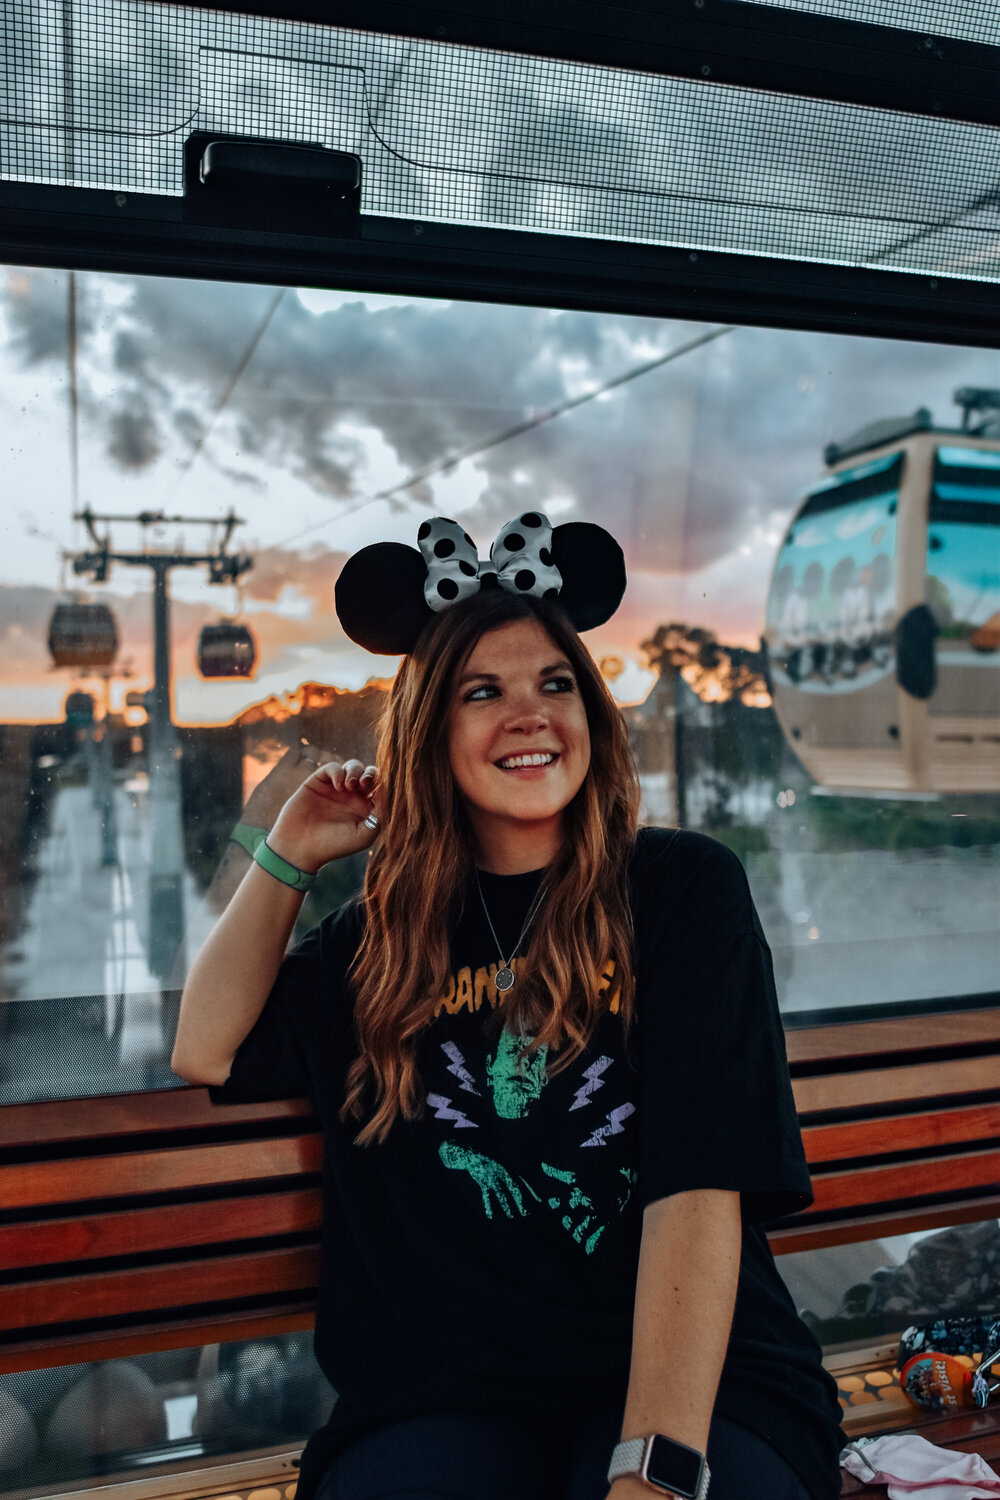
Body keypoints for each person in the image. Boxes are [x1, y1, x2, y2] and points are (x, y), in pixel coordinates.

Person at [172, 512, 846, 1500]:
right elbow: (207, 1049)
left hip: (703, 1385)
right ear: (429, 733)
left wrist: (650, 1474)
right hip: (445, 1398)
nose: (529, 715)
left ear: (590, 714)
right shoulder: (378, 940)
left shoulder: (679, 890)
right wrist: (288, 849)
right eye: (481, 692)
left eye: (554, 683)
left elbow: (700, 1191)